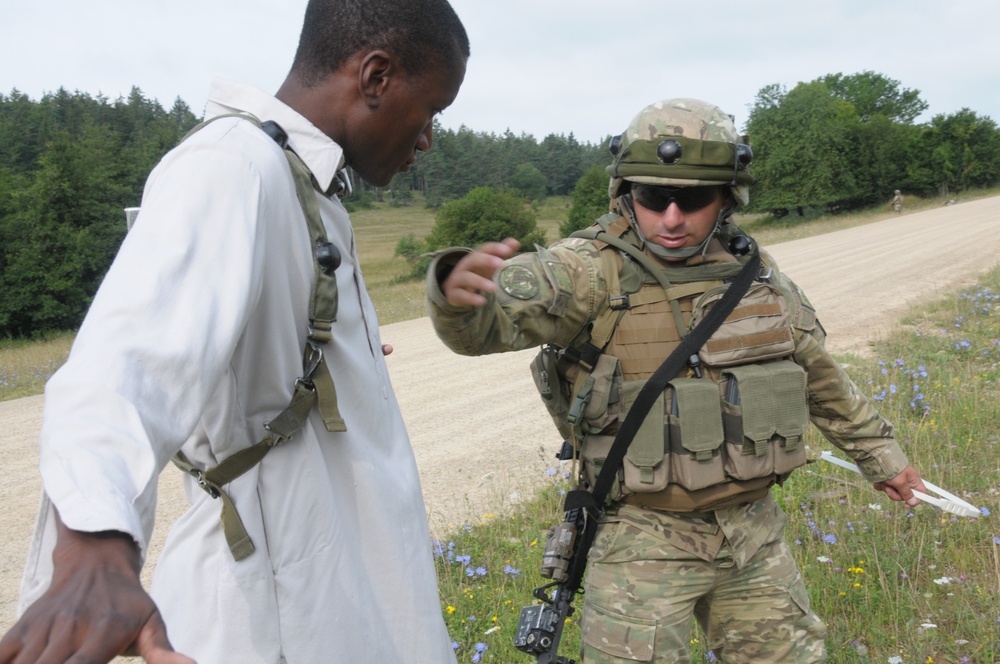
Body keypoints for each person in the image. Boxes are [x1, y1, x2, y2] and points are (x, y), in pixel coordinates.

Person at [0, 1, 468, 662]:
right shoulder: (233, 165)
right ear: (376, 77)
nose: (426, 139)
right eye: (432, 110)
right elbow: (122, 366)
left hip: (338, 591)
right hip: (273, 612)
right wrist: (95, 544)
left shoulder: (303, 184)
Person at [426, 98, 927, 663]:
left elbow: (815, 372)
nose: (670, 217)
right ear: (625, 193)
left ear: (728, 197)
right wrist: (455, 294)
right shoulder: (589, 269)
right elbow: (483, 329)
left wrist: (881, 455)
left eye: (691, 199)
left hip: (753, 535)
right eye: (651, 197)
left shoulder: (754, 273)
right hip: (643, 541)